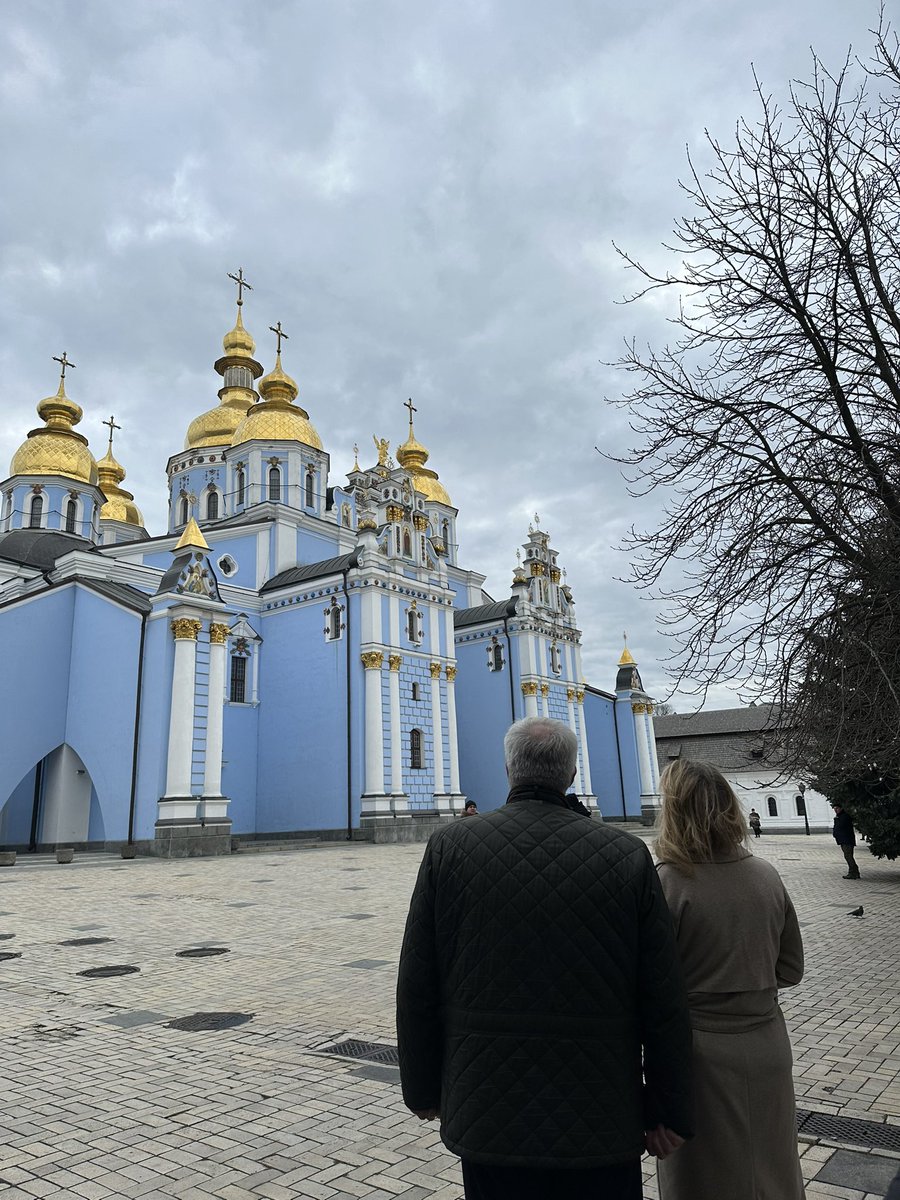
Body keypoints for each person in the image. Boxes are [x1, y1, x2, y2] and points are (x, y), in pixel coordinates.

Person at [397, 716, 693, 1200]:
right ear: (572, 774)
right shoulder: (626, 855)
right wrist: (668, 1109)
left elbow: (417, 982)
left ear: (509, 770)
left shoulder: (450, 847)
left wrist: (423, 1087)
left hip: (489, 1107)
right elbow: (663, 997)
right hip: (600, 1109)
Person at [654, 759, 804, 1200]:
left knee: (705, 1180)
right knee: (772, 1171)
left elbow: (652, 987)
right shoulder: (766, 876)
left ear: (674, 811)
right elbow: (791, 969)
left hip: (698, 1055)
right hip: (767, 1045)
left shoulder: (668, 882)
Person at [832, 802, 860, 879]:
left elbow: (841, 826)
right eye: (834, 809)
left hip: (847, 840)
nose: (835, 810)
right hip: (843, 839)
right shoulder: (839, 817)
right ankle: (854, 872)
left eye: (837, 808)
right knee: (848, 856)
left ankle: (853, 872)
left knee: (848, 856)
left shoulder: (844, 817)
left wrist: (836, 820)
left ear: (841, 808)